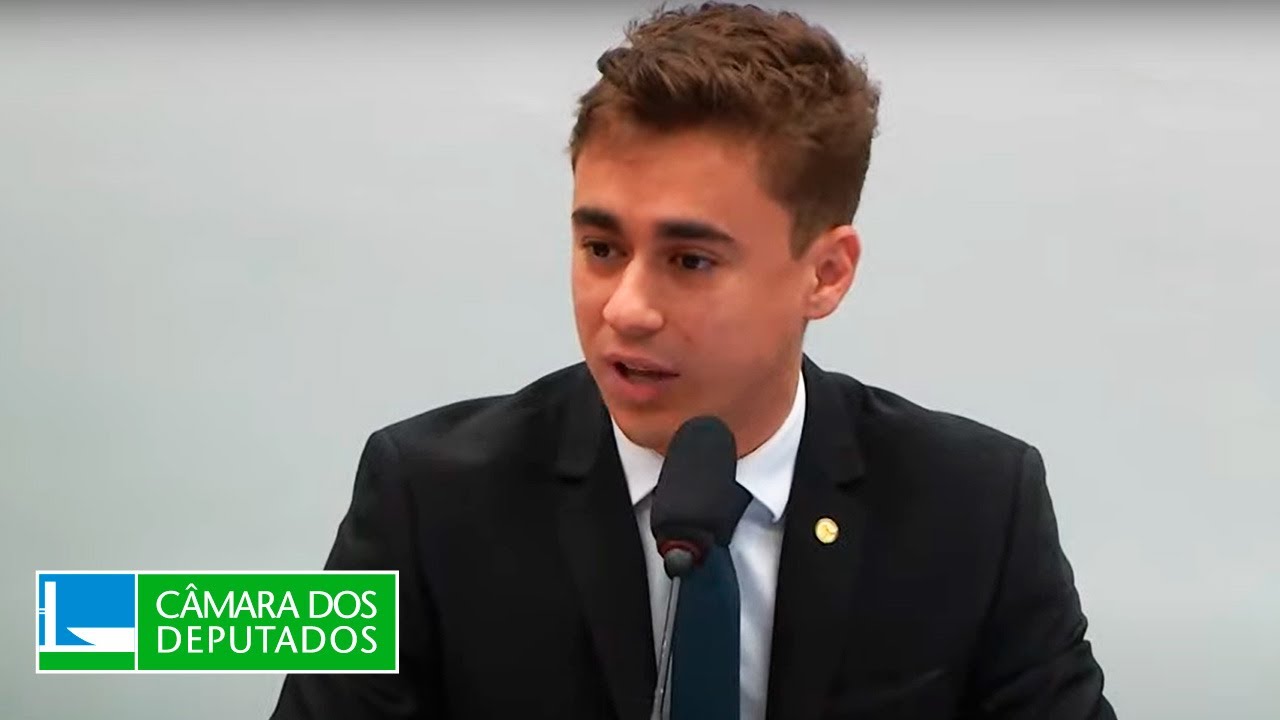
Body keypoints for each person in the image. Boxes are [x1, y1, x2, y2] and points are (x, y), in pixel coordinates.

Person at [270, 3, 1115, 719]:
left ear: (826, 273)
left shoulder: (978, 506)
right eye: (602, 248)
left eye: (690, 261)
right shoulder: (424, 498)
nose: (626, 309)